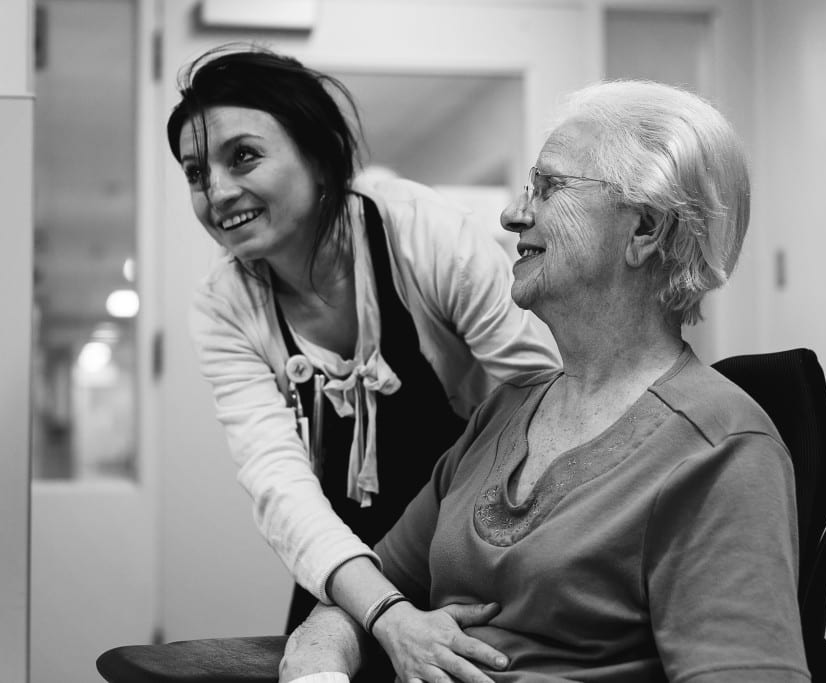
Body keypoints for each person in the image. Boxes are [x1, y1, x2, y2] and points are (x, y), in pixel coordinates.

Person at [281, 79, 810, 682]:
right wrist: (319, 662)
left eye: (549, 187)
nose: (512, 214)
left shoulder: (724, 452)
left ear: (646, 231)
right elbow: (364, 594)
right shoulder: (504, 411)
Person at [167, 43, 560, 668]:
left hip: (473, 540)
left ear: (320, 157)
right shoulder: (224, 307)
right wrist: (385, 611)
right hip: (340, 558)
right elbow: (279, 485)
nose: (215, 190)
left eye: (243, 156)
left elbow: (547, 394)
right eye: (195, 172)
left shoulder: (420, 231)